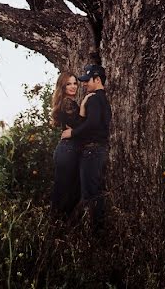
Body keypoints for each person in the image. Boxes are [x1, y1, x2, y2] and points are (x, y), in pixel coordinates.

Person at [61, 63, 112, 231]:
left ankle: (97, 233)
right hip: (97, 150)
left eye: (86, 81)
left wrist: (73, 133)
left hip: (92, 151)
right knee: (91, 191)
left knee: (91, 193)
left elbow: (93, 123)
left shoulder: (95, 98)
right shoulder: (101, 98)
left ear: (97, 80)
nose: (83, 84)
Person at [49, 71, 92, 216]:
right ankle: (55, 228)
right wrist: (85, 104)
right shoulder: (67, 103)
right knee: (65, 194)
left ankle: (57, 227)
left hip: (69, 150)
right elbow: (81, 125)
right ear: (63, 86)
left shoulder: (70, 102)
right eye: (69, 84)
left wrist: (75, 130)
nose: (73, 87)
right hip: (68, 151)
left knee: (70, 192)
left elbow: (79, 127)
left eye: (75, 83)